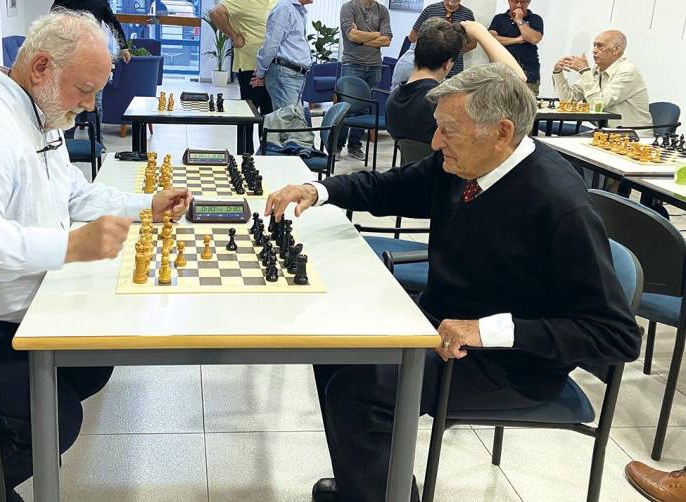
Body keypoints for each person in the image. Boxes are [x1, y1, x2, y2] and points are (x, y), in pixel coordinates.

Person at [266, 62, 641, 502]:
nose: (434, 141)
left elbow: (615, 336)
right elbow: (391, 187)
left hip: (511, 363)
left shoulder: (560, 206)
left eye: (448, 129)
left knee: (359, 389)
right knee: (332, 347)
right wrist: (320, 190)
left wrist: (485, 329)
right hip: (440, 324)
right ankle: (373, 487)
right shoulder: (463, 164)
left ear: (501, 132)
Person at [0, 10, 192, 501]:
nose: (89, 107)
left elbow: (73, 196)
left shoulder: (37, 115)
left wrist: (144, 206)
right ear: (42, 67)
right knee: (54, 418)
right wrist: (69, 246)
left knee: (91, 364)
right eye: (84, 90)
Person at [387, 20, 525, 145]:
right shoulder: (443, 101)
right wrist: (481, 33)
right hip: (452, 170)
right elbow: (517, 79)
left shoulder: (394, 100)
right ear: (448, 63)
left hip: (417, 170)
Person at [52, 0, 132, 147]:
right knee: (75, 101)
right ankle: (70, 142)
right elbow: (52, 21)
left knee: (94, 104)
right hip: (72, 57)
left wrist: (124, 47)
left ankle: (94, 142)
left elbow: (112, 22)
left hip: (92, 57)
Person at [552, 30, 652, 134]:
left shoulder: (628, 71)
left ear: (616, 49)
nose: (594, 50)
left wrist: (584, 71)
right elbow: (568, 100)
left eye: (600, 46)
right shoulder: (594, 69)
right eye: (594, 45)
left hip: (633, 137)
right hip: (606, 133)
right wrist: (558, 72)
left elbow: (597, 105)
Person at [209, 0, 277, 152]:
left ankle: (266, 154)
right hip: (249, 65)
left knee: (269, 116)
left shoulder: (276, 2)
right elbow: (216, 13)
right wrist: (234, 36)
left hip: (272, 67)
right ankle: (246, 157)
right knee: (248, 115)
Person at [337, 0, 392, 161]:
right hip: (352, 63)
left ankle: (355, 146)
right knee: (345, 107)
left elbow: (387, 40)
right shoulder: (349, 7)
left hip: (374, 66)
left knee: (364, 109)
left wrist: (361, 37)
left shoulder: (382, 10)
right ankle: (337, 146)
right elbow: (351, 35)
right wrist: (376, 35)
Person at [252, 0, 314, 112]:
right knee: (285, 123)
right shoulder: (284, 8)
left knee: (290, 122)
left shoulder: (298, 11)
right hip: (285, 74)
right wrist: (261, 74)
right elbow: (271, 45)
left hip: (295, 75)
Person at [409, 0, 477, 79]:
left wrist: (454, 51)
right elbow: (412, 37)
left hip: (455, 70)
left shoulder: (467, 14)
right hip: (430, 68)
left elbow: (473, 43)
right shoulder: (430, 10)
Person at [489, 0, 544, 95]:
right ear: (509, 1)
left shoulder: (535, 18)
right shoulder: (499, 18)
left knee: (526, 107)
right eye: (515, 1)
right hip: (501, 73)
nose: (518, 5)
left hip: (528, 73)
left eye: (522, 2)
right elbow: (491, 39)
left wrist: (519, 20)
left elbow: (534, 39)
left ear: (529, 2)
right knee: (500, 106)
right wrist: (517, 40)